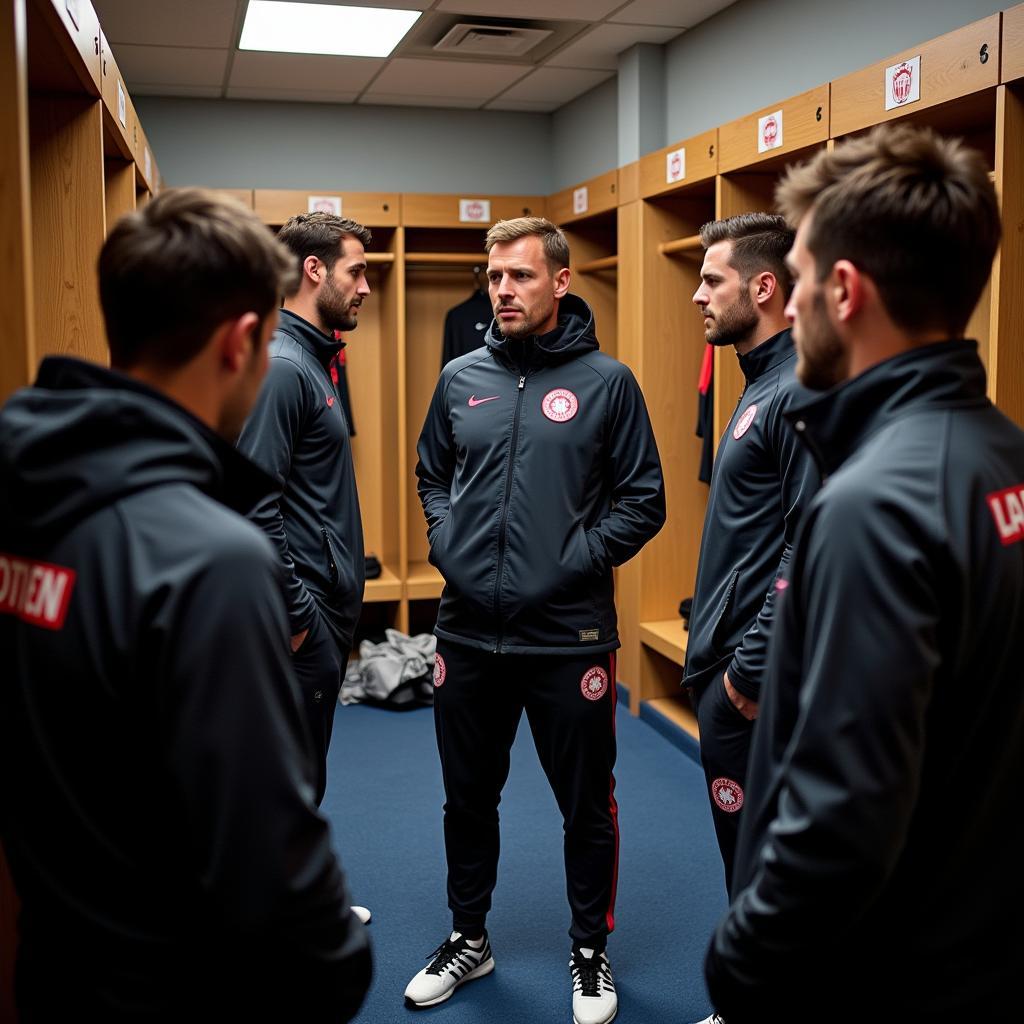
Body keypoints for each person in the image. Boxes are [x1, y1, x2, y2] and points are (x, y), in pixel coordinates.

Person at [0, 189, 371, 1021]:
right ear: (241, 343)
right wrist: (338, 965)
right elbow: (271, 857)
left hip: (51, 962)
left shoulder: (26, 491)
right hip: (175, 986)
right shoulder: (206, 557)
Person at [704, 124, 1023, 1022]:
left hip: (887, 971)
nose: (790, 301)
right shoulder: (1005, 458)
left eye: (800, 277)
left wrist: (740, 961)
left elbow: (842, 816)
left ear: (843, 291)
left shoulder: (874, 504)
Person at [406, 216, 665, 1024]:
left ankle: (590, 950)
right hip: (466, 634)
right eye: (494, 278)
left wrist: (569, 559)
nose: (503, 291)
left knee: (586, 803)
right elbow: (430, 475)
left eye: (519, 276)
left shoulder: (608, 383)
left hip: (569, 638)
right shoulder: (459, 378)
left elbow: (643, 501)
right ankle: (469, 937)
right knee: (466, 798)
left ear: (560, 282)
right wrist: (448, 542)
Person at [683, 214, 818, 904]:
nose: (698, 296)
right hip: (731, 665)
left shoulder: (794, 389)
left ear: (763, 287)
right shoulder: (761, 380)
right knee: (747, 858)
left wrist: (748, 674)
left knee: (761, 864)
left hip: (752, 680)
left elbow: (810, 541)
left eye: (712, 280)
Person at [237, 211, 371, 808]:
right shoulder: (284, 367)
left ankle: (295, 903)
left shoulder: (312, 360)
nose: (366, 287)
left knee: (302, 774)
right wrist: (298, 621)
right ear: (314, 271)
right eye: (358, 272)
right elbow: (251, 503)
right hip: (302, 615)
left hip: (320, 609)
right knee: (290, 783)